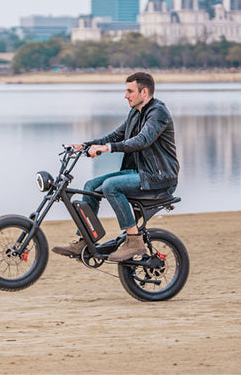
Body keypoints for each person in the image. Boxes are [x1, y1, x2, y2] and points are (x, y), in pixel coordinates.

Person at [52, 71, 179, 262]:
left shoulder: (158, 112)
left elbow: (142, 141)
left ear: (144, 92)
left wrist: (107, 149)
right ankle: (84, 241)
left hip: (158, 177)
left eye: (130, 91)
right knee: (90, 186)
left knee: (112, 185)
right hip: (139, 172)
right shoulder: (135, 113)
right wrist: (84, 145)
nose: (125, 95)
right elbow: (114, 137)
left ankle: (134, 240)